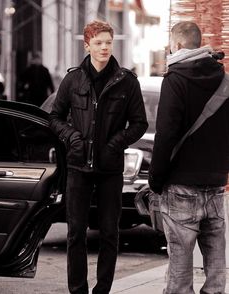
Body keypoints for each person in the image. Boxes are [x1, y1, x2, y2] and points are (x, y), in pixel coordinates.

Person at [49, 20, 148, 294]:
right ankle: (78, 290)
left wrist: (115, 144)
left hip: (110, 169)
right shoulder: (73, 79)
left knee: (109, 233)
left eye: (108, 42)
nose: (105, 48)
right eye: (99, 43)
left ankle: (102, 290)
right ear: (87, 45)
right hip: (78, 167)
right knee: (75, 233)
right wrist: (72, 137)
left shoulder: (126, 81)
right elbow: (54, 118)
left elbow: (139, 123)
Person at [149, 21, 229, 294]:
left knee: (180, 273)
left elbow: (166, 134)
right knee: (217, 269)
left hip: (181, 185)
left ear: (179, 45)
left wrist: (155, 180)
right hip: (216, 185)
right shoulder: (224, 80)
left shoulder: (176, 79)